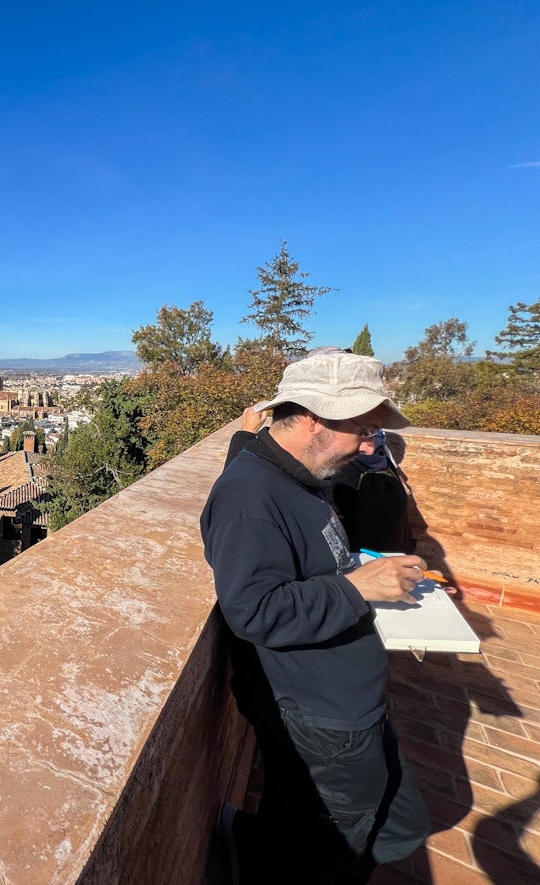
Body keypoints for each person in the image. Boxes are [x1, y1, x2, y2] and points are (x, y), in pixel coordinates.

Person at [201, 352, 430, 883]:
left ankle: (255, 850)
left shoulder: (301, 475)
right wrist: (357, 587)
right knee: (336, 850)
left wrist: (360, 574)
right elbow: (254, 609)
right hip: (319, 711)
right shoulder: (250, 495)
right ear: (316, 418)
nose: (370, 445)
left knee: (353, 820)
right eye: (364, 428)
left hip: (338, 698)